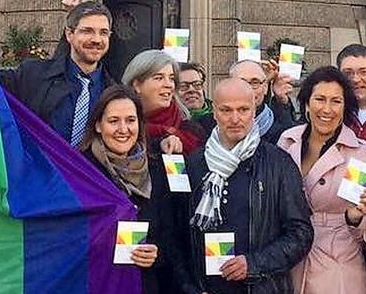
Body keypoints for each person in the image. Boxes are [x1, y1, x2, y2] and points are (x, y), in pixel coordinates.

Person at [171, 78, 313, 294]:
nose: (235, 118)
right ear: (214, 112)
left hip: (260, 287)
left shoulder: (278, 163)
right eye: (226, 110)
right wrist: (189, 287)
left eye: (243, 109)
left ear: (254, 111)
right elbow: (175, 235)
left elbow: (300, 234)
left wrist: (254, 264)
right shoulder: (192, 164)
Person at [277, 66, 366, 294]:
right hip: (290, 255)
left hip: (338, 263)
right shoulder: (287, 141)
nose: (327, 109)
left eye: (336, 101)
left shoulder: (359, 152)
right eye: (320, 99)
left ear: (345, 107)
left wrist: (355, 218)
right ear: (306, 103)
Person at [78, 85, 165, 293]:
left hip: (145, 285)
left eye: (131, 120)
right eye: (114, 121)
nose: (123, 129)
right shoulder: (81, 171)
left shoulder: (157, 170)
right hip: (96, 284)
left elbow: (170, 233)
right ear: (98, 125)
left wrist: (156, 252)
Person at [0, 0, 117, 144]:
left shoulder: (113, 93)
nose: (97, 40)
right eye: (87, 31)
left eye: (103, 33)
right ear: (69, 34)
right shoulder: (32, 76)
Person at [195, 60, 297, 145]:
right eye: (242, 82)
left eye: (255, 82)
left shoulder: (282, 129)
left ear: (265, 88)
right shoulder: (205, 127)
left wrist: (282, 102)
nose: (248, 88)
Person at [122, 50, 204, 155]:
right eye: (159, 78)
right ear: (137, 85)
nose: (169, 85)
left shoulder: (191, 132)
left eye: (171, 79)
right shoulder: (121, 129)